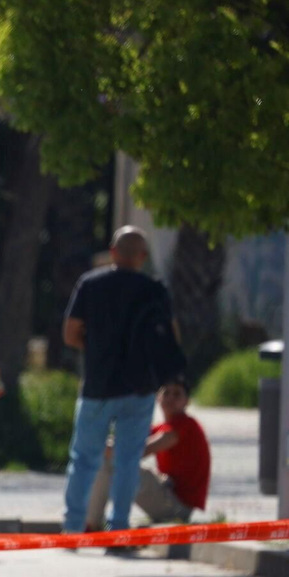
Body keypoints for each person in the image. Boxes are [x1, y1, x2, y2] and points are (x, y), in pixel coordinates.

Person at [61, 225, 181, 537]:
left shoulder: (90, 284)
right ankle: (120, 528)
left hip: (97, 386)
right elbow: (172, 337)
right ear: (143, 256)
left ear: (113, 252)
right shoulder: (154, 290)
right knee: (128, 461)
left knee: (84, 459)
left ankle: (73, 527)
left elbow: (70, 334)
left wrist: (95, 348)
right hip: (140, 388)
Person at [86, 379, 210, 530]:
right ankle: (92, 521)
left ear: (187, 402)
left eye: (177, 394)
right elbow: (128, 440)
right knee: (109, 459)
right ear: (158, 398)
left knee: (114, 463)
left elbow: (140, 451)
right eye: (166, 393)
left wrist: (103, 446)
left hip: (178, 508)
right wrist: (105, 443)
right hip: (169, 495)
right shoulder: (162, 427)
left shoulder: (186, 425)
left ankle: (91, 523)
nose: (170, 398)